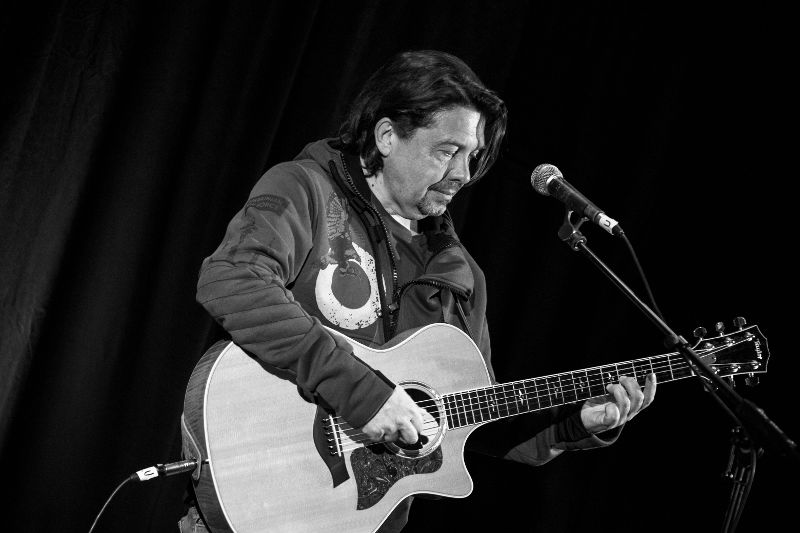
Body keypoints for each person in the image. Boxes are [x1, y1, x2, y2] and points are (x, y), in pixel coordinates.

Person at [179, 49, 656, 533]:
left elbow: (471, 419)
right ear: (387, 136)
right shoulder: (306, 189)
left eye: (472, 155)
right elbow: (232, 281)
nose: (463, 173)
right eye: (447, 151)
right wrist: (362, 394)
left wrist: (574, 424)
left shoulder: (459, 275)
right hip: (259, 488)